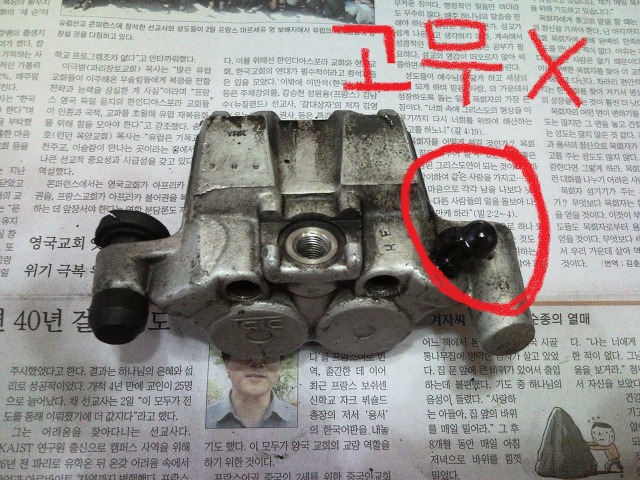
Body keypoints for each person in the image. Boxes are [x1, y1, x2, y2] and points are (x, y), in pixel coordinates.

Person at [205, 353, 296, 428]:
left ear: (279, 365)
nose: (257, 363)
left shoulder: (298, 419)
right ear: (226, 364)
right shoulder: (202, 419)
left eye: (268, 354)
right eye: (245, 354)